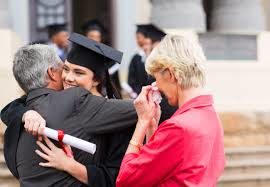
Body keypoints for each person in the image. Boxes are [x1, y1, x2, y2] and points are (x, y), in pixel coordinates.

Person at [1, 33, 137, 187]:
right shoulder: (40, 106)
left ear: (97, 79)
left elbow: (117, 175)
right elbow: (12, 107)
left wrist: (70, 166)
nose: (68, 78)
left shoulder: (114, 116)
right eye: (65, 69)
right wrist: (26, 113)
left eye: (78, 72)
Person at [116, 35, 225, 187]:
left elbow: (126, 180)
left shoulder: (178, 127)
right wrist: (152, 127)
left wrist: (142, 121)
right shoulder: (210, 115)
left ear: (170, 74)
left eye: (156, 77)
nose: (156, 85)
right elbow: (164, 167)